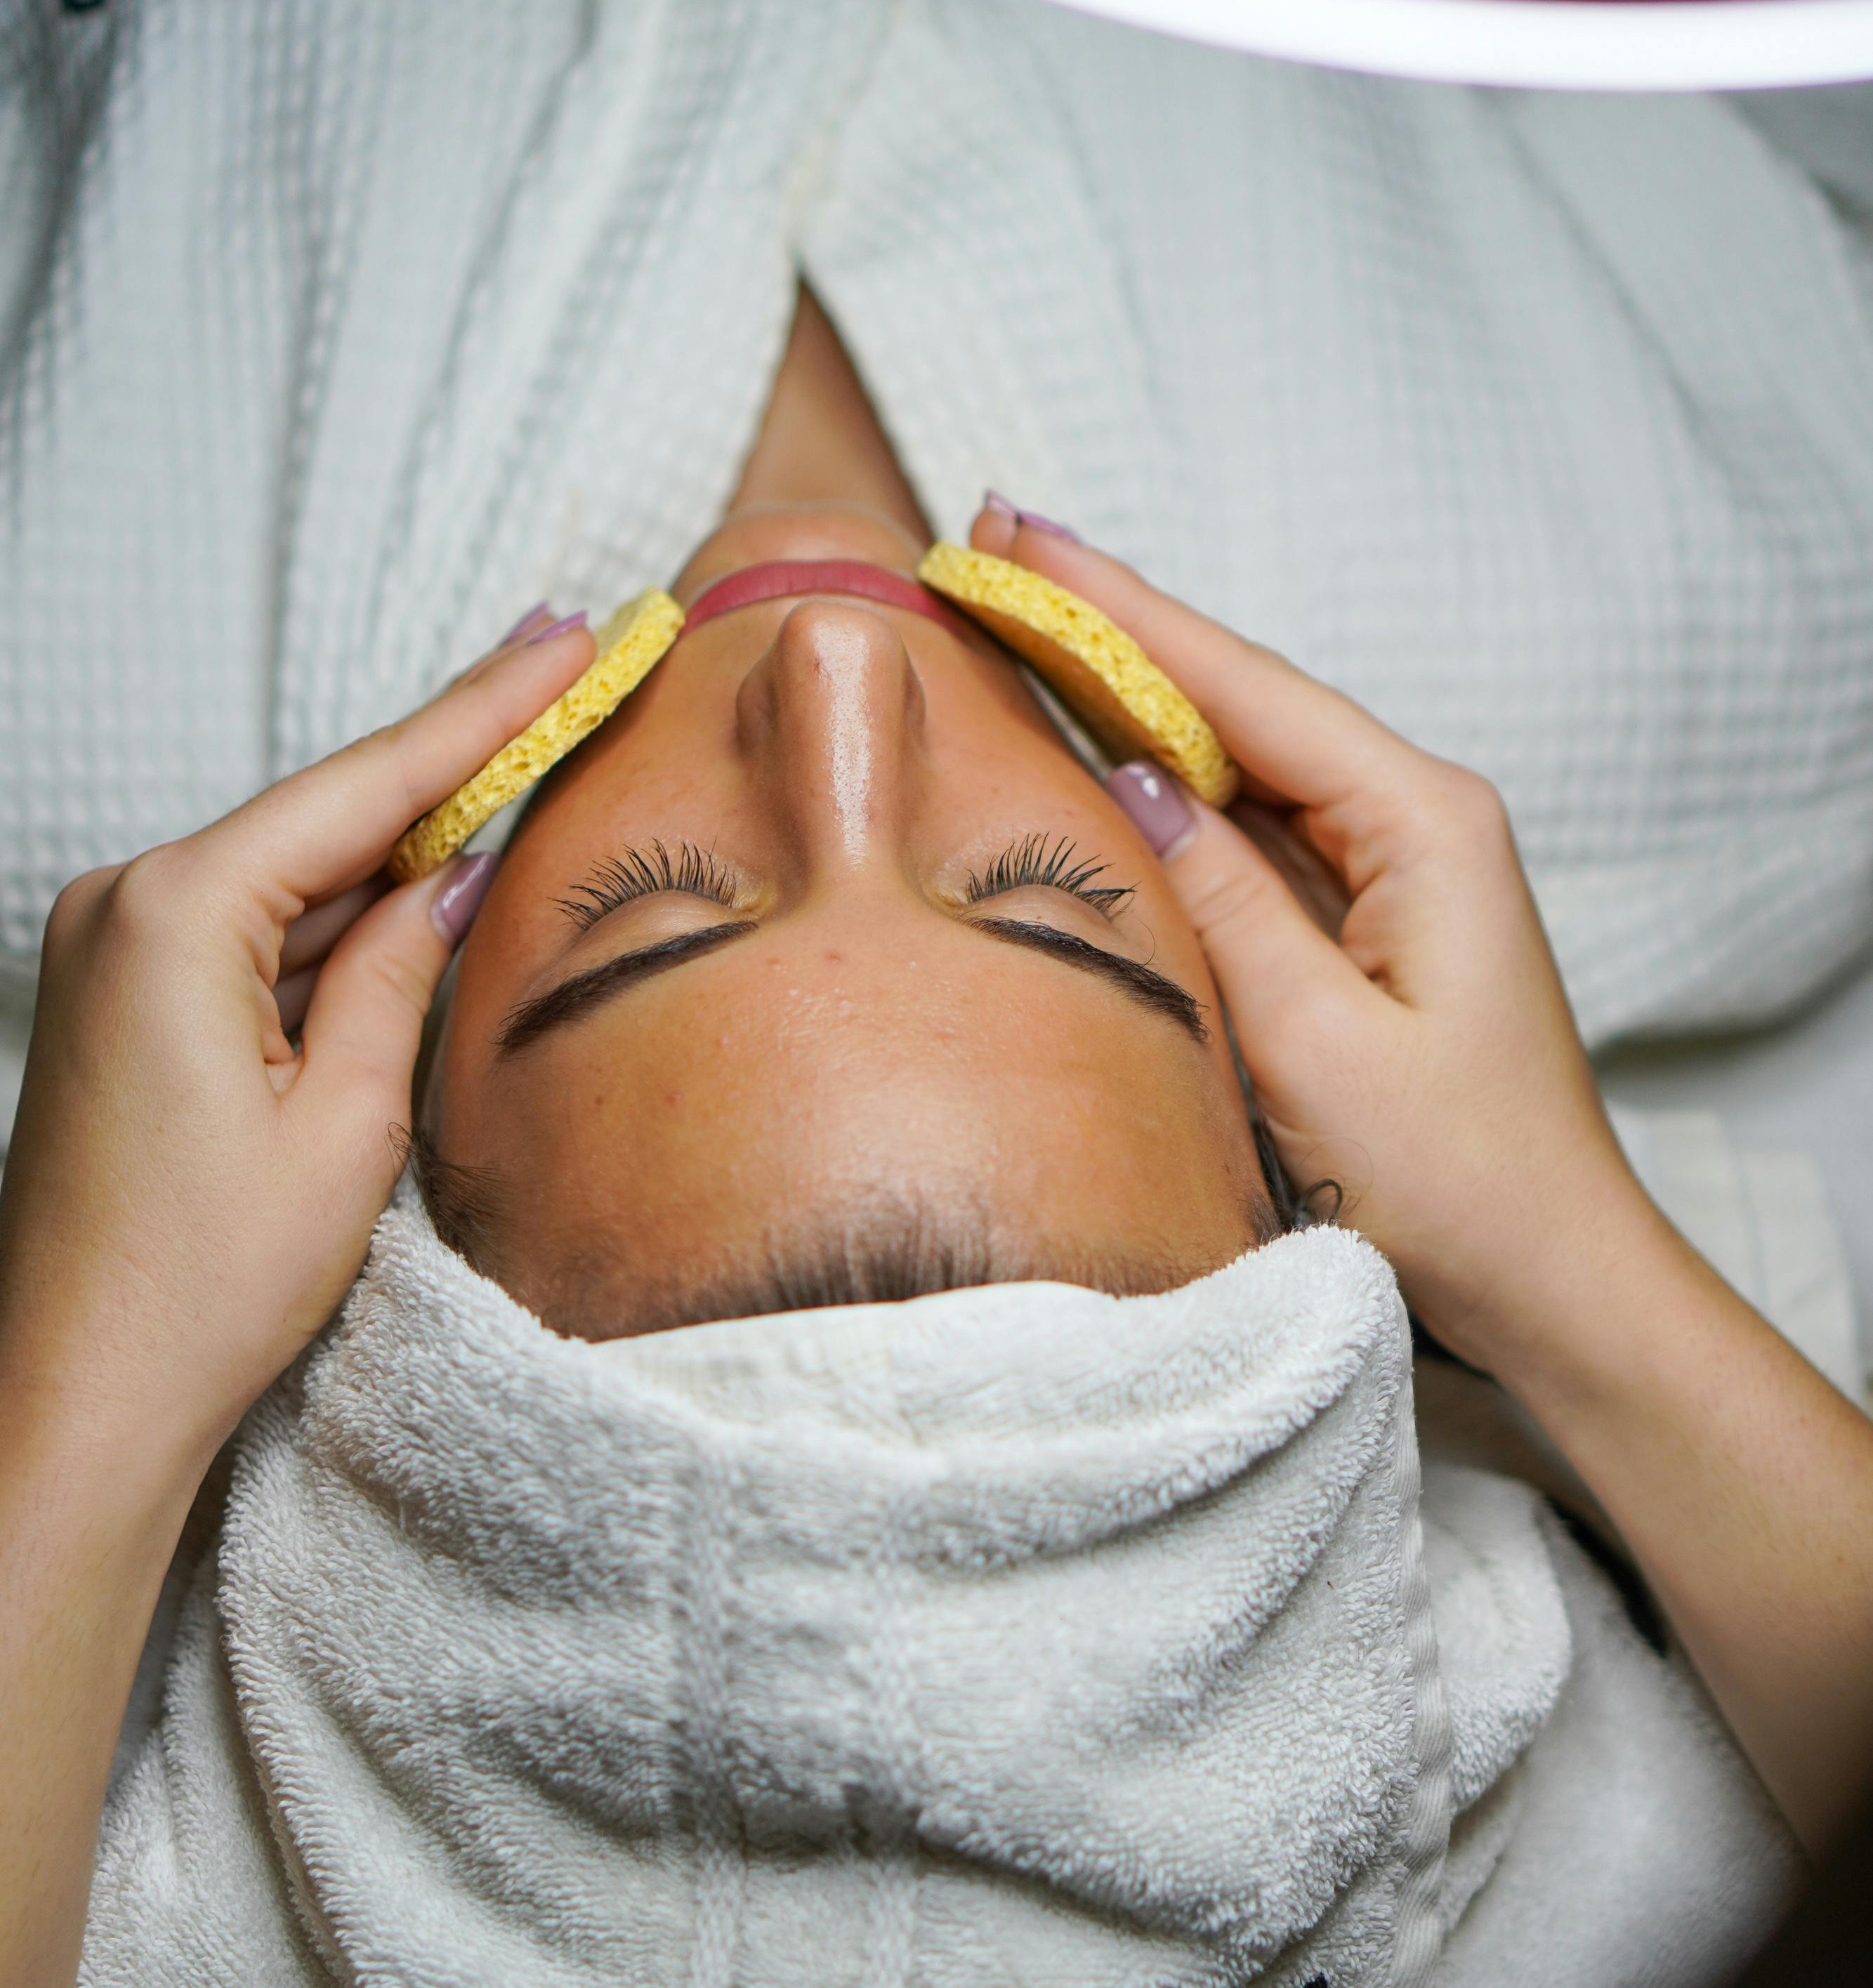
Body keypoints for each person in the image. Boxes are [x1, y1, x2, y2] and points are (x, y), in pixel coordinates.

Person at [3, 289, 1872, 1987]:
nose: (836, 685)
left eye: (650, 915)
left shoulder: (89, 587)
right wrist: (1567, 1258)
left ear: (382, 1125)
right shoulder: (1728, 589)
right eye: (1053, 902)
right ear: (1291, 1125)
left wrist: (85, 1390)